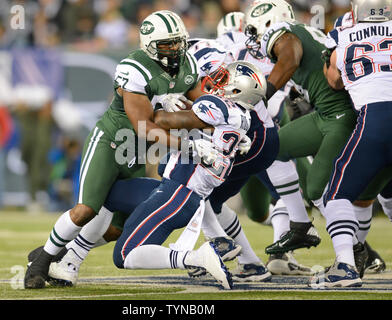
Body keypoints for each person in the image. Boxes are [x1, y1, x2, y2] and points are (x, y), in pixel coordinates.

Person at [24, 10, 206, 289]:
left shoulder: (187, 65)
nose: (176, 49)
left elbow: (206, 108)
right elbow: (144, 126)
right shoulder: (134, 68)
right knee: (86, 210)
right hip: (111, 143)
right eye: (167, 44)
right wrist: (187, 142)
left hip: (134, 152)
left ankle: (62, 252)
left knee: (117, 227)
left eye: (178, 42)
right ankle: (41, 262)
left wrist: (228, 125)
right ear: (149, 46)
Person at [113, 61, 263, 290]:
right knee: (112, 193)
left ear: (237, 90)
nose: (218, 82)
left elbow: (163, 121)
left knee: (123, 255)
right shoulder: (243, 116)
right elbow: (203, 124)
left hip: (178, 193)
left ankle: (194, 258)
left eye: (225, 80)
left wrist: (159, 102)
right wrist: (184, 104)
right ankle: (71, 252)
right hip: (185, 194)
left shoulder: (219, 106)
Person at [187, 34, 313, 276]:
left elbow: (210, 101)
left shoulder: (200, 62)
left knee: (193, 190)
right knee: (210, 200)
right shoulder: (219, 52)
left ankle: (218, 249)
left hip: (251, 139)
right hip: (257, 135)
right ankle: (249, 261)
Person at [244, 0, 354, 255]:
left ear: (268, 22)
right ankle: (300, 225)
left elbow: (290, 58)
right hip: (326, 114)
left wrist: (259, 96)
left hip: (339, 116)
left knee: (317, 189)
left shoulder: (282, 31)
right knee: (271, 149)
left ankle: (354, 252)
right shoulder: (304, 31)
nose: (255, 37)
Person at [310, 0, 392, 288]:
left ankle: (345, 265)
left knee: (336, 194)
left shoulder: (344, 35)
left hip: (376, 118)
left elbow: (333, 80)